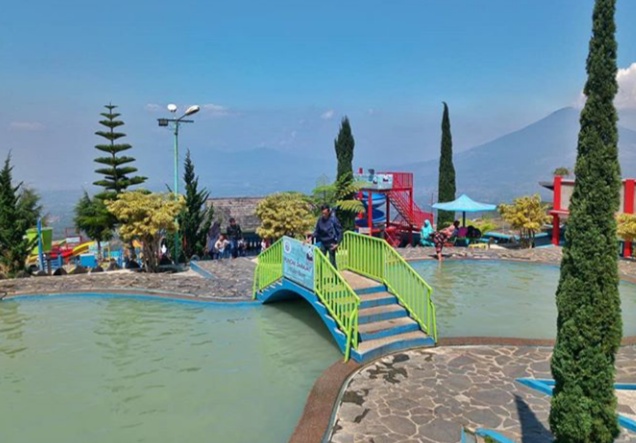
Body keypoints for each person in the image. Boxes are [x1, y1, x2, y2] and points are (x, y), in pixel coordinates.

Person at [311, 205, 342, 269]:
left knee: (332, 262)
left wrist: (337, 243)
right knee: (320, 261)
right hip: (323, 243)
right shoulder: (320, 220)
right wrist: (310, 237)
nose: (324, 215)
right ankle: (320, 274)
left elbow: (340, 232)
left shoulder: (333, 220)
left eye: (325, 213)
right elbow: (317, 231)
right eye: (322, 213)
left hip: (331, 243)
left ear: (328, 212)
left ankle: (335, 275)